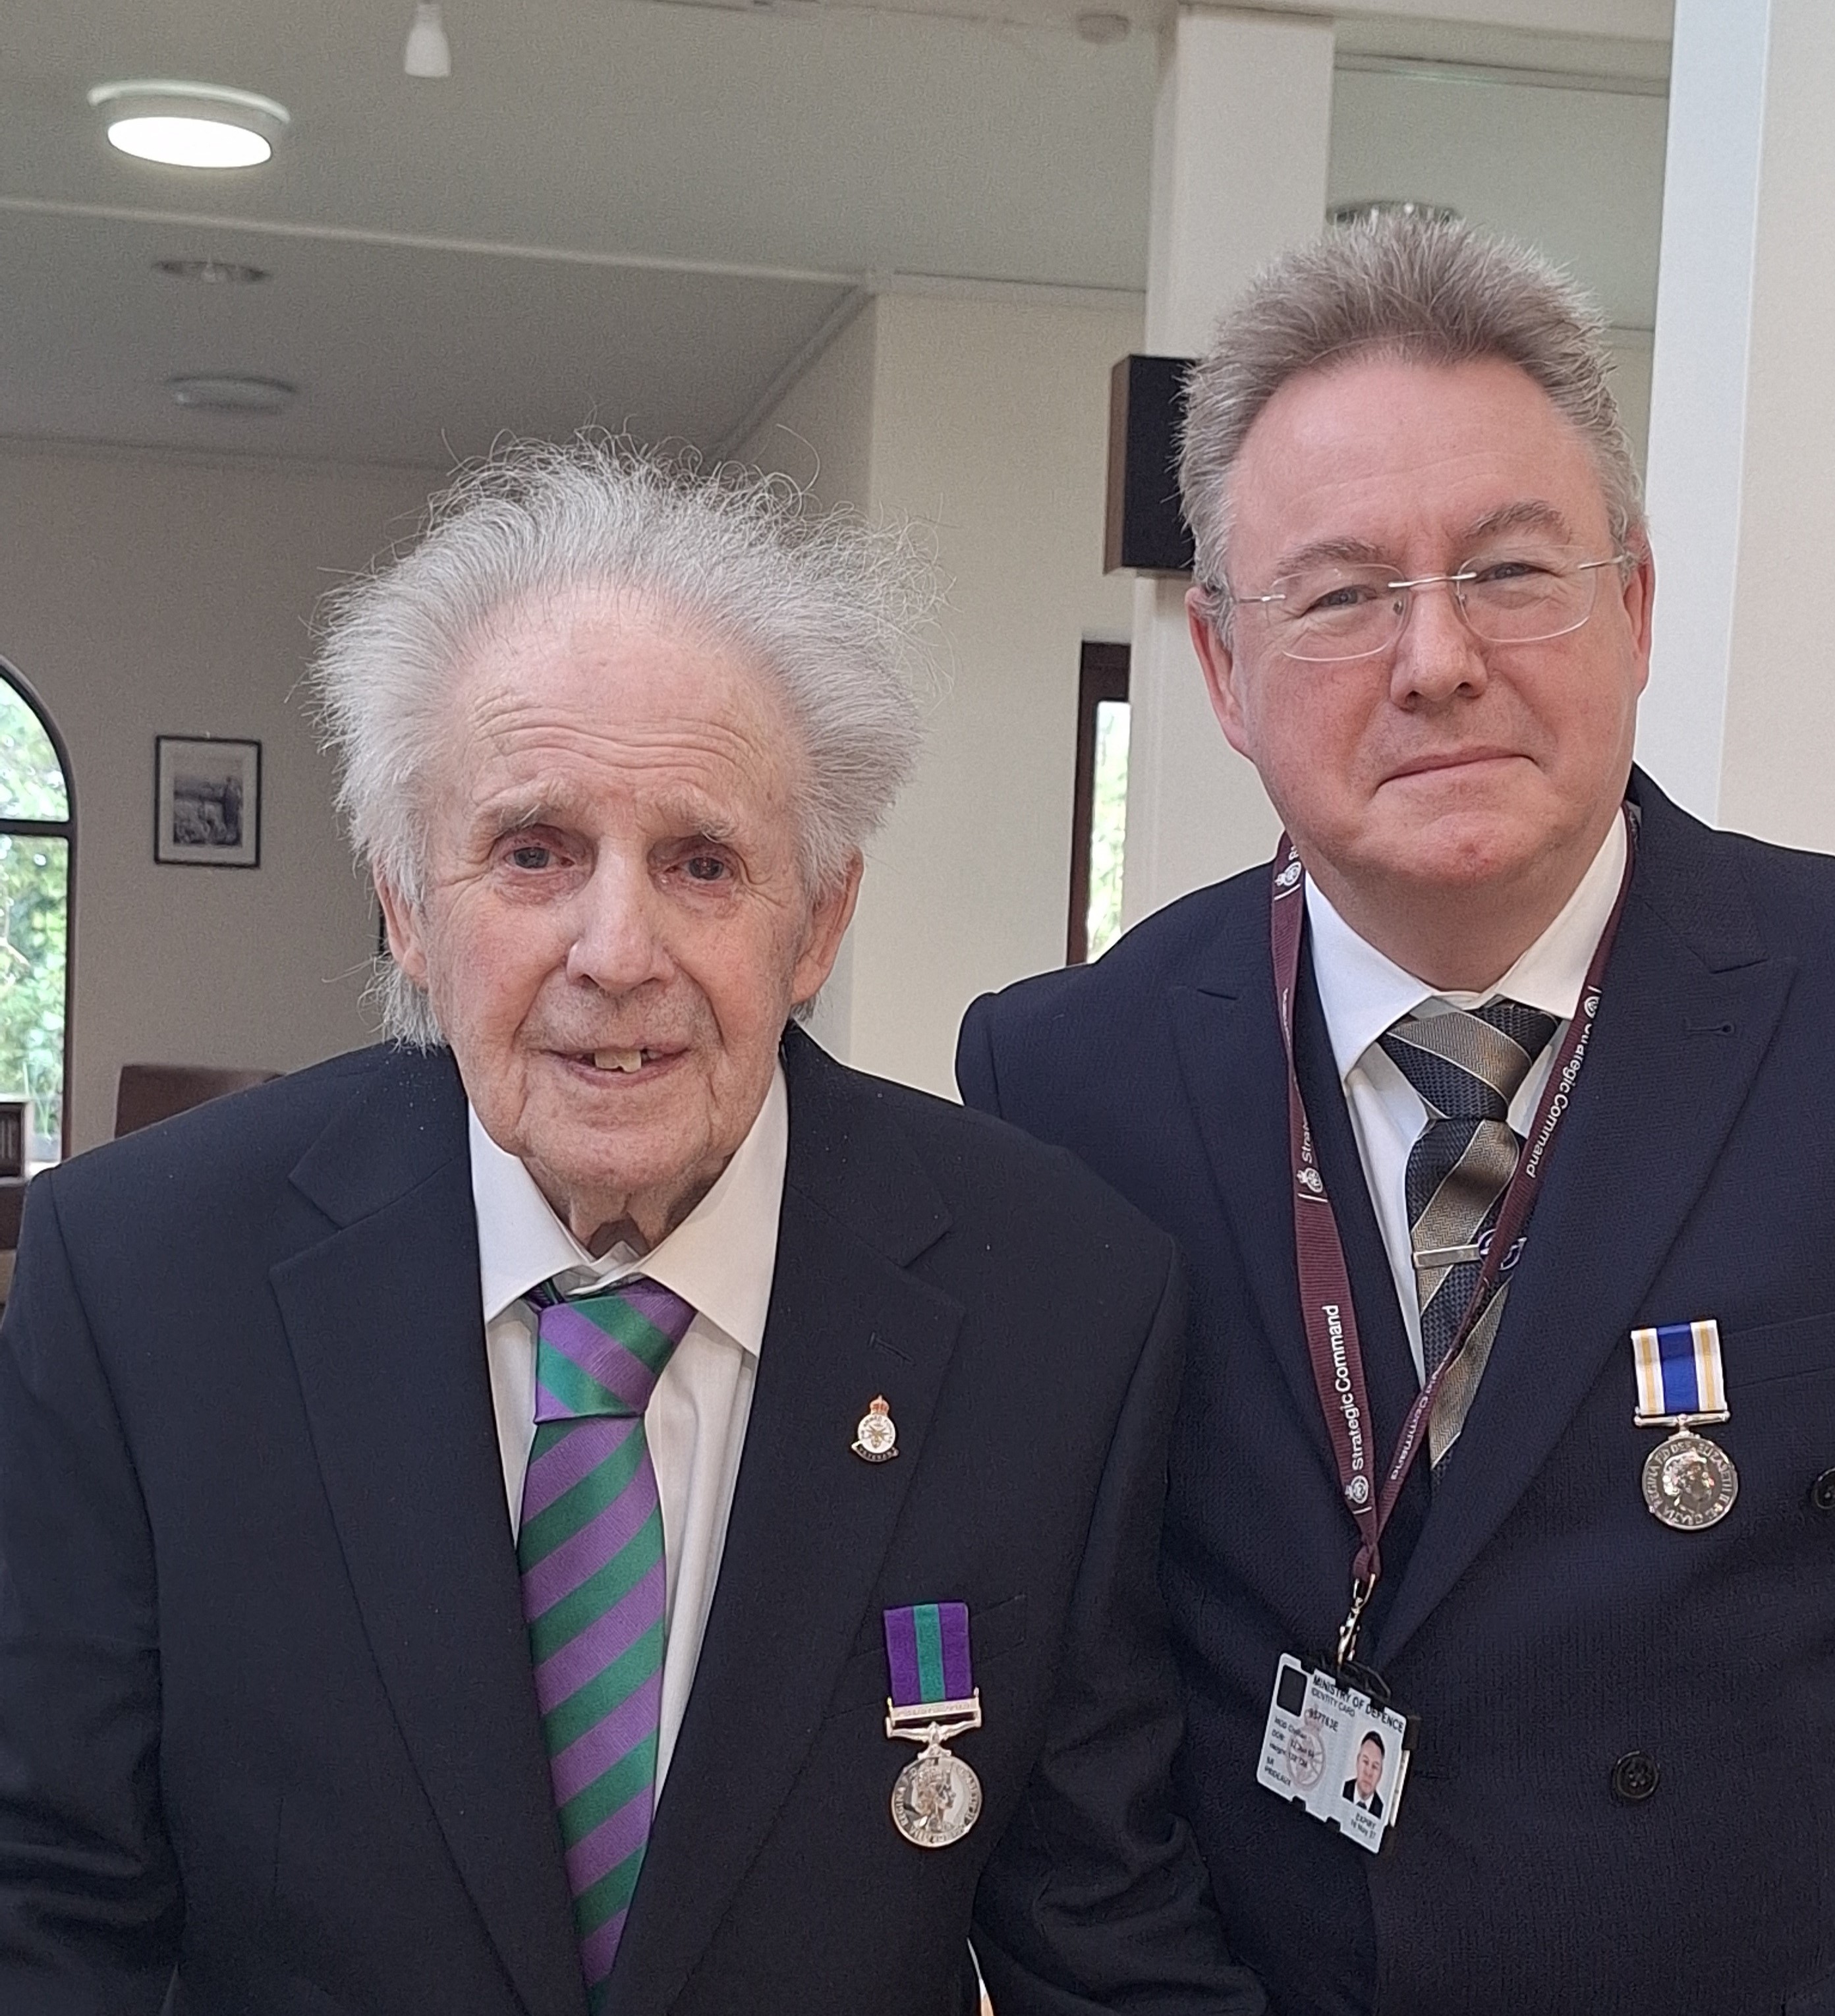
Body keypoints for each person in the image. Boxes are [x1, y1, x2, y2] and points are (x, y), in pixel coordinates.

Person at [0, 441, 1268, 2016]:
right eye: (534, 852)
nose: (618, 949)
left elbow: (1103, 1940)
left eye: (702, 861)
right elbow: (50, 1912)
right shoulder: (138, 1286)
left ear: (820, 921)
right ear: (405, 902)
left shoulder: (1059, 1307)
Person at [958, 214, 1835, 2015]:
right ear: (1219, 665)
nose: (1434, 657)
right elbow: (1080, 1743)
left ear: (1635, 606)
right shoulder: (1066, 1081)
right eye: (1344, 591)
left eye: (1510, 570)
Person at [1347, 1735, 1384, 1818]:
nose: (1368, 1772)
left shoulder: (1382, 1811)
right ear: (1358, 1762)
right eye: (1365, 1762)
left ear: (1380, 1773)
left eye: (1375, 1767)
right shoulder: (1341, 1790)